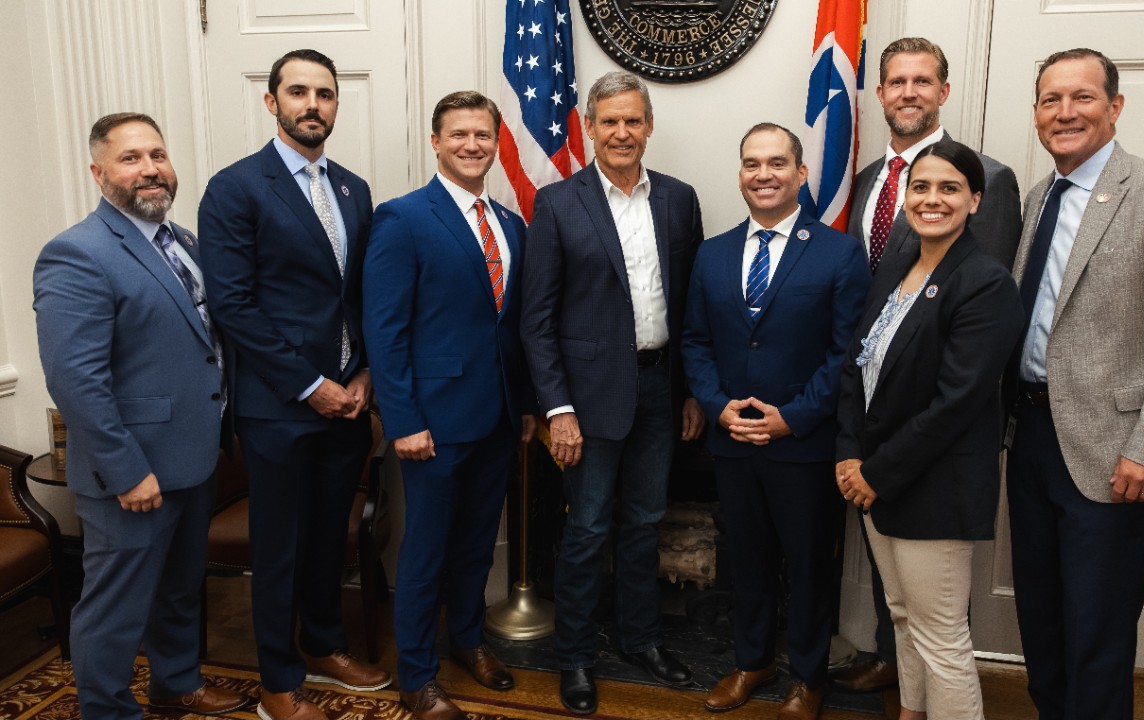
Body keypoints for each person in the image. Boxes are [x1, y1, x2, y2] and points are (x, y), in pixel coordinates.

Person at [1007, 48, 1144, 720]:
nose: (1064, 112)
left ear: (1115, 107)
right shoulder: (1038, 196)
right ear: (1038, 113)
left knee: (1097, 634)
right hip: (1034, 435)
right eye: (1051, 99)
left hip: (1118, 451)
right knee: (1041, 621)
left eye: (1082, 97)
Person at [33, 113, 250, 720]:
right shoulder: (76, 253)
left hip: (193, 458)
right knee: (116, 604)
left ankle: (176, 683)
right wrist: (126, 471)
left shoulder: (184, 243)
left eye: (158, 154)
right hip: (131, 473)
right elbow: (75, 379)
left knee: (179, 591)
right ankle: (106, 708)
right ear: (99, 173)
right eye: (131, 159)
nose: (150, 169)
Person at [199, 49, 390, 720]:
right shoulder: (235, 187)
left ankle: (324, 645)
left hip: (347, 403)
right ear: (271, 102)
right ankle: (279, 681)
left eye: (326, 94)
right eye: (299, 91)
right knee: (277, 547)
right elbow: (232, 303)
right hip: (280, 406)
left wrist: (363, 372)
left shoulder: (353, 190)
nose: (314, 104)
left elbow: (359, 295)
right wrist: (310, 383)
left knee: (325, 539)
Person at [838, 35, 1024, 695]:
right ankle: (899, 676)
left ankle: (917, 684)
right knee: (903, 604)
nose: (908, 92)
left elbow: (969, 337)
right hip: (878, 423)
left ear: (943, 91)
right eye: (896, 81)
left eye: (923, 81)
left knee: (939, 621)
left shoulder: (990, 180)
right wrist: (859, 446)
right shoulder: (865, 183)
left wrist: (885, 463)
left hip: (934, 444)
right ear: (881, 93)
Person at [520, 70, 706, 715]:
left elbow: (688, 306)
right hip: (589, 399)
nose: (622, 132)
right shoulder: (557, 204)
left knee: (645, 522)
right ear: (590, 128)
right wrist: (558, 409)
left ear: (648, 126)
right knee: (589, 527)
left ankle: (640, 640)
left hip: (660, 387)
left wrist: (689, 391)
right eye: (609, 122)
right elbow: (536, 319)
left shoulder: (679, 200)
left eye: (633, 120)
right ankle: (574, 657)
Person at [683, 123, 869, 720]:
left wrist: (793, 418)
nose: (763, 174)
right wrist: (717, 406)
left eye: (777, 163)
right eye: (751, 164)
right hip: (734, 441)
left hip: (803, 445)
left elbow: (847, 353)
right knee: (748, 558)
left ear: (800, 173)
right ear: (740, 174)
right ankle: (752, 660)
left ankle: (809, 677)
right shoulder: (711, 253)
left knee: (810, 564)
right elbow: (694, 341)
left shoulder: (839, 251)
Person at [363, 90, 537, 720]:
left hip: (495, 419)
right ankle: (416, 675)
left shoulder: (512, 224)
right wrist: (404, 422)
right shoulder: (403, 218)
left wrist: (522, 405)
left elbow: (508, 328)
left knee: (474, 546)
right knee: (426, 550)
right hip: (431, 424)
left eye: (483, 135)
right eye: (458, 134)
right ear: (435, 141)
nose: (472, 145)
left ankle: (466, 641)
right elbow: (385, 330)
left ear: (497, 143)